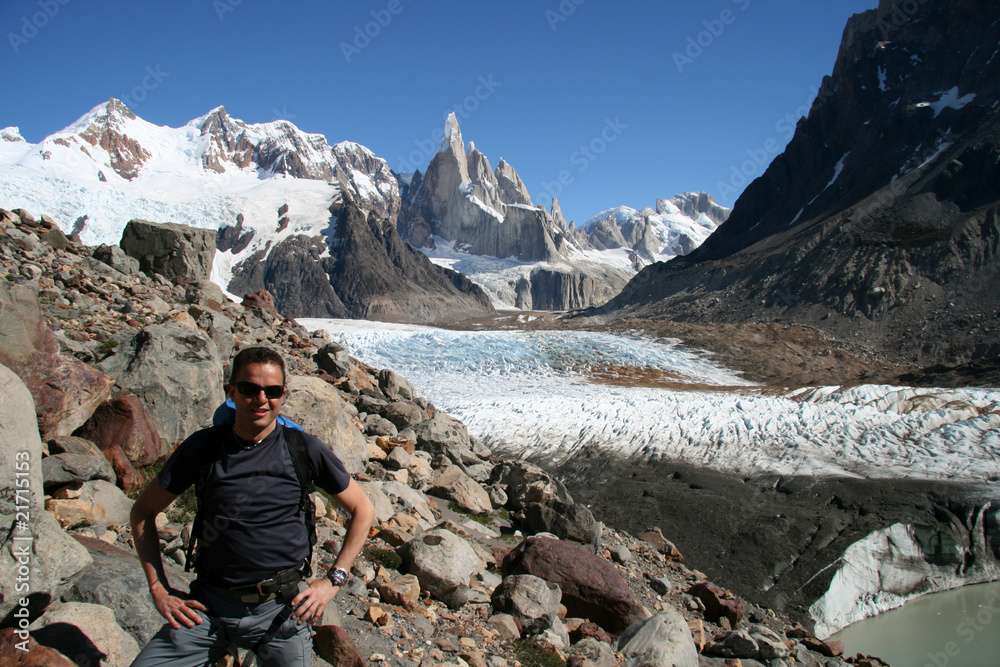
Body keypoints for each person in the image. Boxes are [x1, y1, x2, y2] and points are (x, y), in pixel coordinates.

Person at [130, 346, 375, 666]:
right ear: (230, 391)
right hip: (209, 609)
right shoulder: (204, 448)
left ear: (283, 395)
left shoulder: (303, 450)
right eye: (249, 389)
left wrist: (332, 581)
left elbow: (363, 509)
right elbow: (143, 511)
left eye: (272, 391)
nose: (261, 399)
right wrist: (158, 588)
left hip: (283, 613)